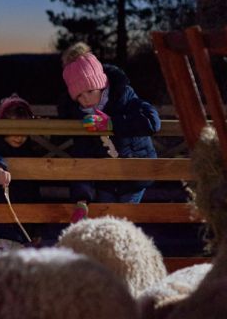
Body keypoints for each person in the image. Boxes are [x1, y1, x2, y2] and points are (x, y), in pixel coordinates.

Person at [56, 42, 160, 222]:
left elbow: (152, 121)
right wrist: (81, 199)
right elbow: (83, 157)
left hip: (134, 175)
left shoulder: (124, 96)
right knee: (106, 224)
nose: (86, 99)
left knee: (123, 225)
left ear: (101, 85)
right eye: (79, 96)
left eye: (90, 91)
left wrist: (111, 124)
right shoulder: (81, 116)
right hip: (106, 182)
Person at [0, 94, 46, 248]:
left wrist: (36, 229)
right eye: (12, 129)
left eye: (24, 131)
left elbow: (34, 193)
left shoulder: (31, 153)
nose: (19, 136)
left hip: (21, 228)